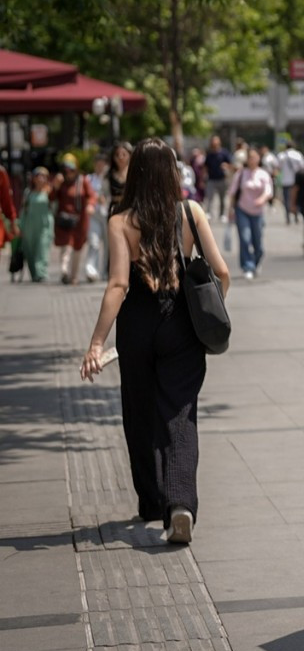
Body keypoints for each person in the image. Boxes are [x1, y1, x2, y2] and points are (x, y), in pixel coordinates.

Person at [79, 138, 230, 544]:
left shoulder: (120, 220)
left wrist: (96, 343)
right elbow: (223, 272)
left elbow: (117, 285)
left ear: (135, 173)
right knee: (179, 415)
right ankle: (179, 504)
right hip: (181, 322)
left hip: (138, 324)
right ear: (172, 172)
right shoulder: (190, 212)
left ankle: (150, 502)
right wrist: (206, 317)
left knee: (140, 413)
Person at [53, 153, 96, 285]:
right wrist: (56, 186)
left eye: (71, 169)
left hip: (80, 221)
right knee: (66, 246)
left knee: (78, 248)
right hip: (65, 220)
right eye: (65, 169)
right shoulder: (60, 182)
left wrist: (90, 205)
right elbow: (51, 197)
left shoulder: (83, 181)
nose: (68, 172)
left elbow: (91, 196)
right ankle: (64, 271)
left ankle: (74, 276)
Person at [229, 148, 272, 280]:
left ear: (258, 159)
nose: (252, 160)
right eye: (250, 157)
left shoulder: (263, 174)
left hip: (258, 212)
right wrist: (230, 210)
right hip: (242, 210)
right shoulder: (241, 174)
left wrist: (262, 199)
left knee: (258, 243)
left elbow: (269, 191)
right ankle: (247, 266)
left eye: (255, 157)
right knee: (245, 238)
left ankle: (255, 262)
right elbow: (232, 193)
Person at [18, 168, 53, 282]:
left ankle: (41, 272)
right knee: (30, 250)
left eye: (43, 176)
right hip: (30, 225)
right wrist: (20, 226)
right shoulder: (28, 193)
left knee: (42, 248)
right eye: (38, 176)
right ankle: (34, 274)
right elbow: (24, 209)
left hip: (44, 225)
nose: (41, 178)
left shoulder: (49, 192)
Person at [84, 153, 110, 282]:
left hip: (108, 215)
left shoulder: (110, 179)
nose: (100, 166)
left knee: (108, 244)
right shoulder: (88, 179)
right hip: (94, 214)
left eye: (102, 163)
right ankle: (91, 270)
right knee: (93, 242)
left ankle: (106, 271)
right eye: (98, 163)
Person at [276, 141, 304, 225]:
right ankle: (296, 215)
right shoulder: (298, 155)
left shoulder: (281, 156)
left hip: (286, 181)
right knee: (296, 199)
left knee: (286, 200)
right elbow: (303, 167)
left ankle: (288, 217)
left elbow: (278, 167)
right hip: (296, 181)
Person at [204, 136, 233, 222]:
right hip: (211, 179)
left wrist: (226, 166)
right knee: (209, 197)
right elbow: (205, 166)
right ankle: (208, 213)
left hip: (222, 179)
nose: (214, 144)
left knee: (223, 198)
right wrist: (204, 177)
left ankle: (222, 214)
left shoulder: (224, 153)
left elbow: (231, 164)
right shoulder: (209, 154)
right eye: (213, 143)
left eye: (216, 142)